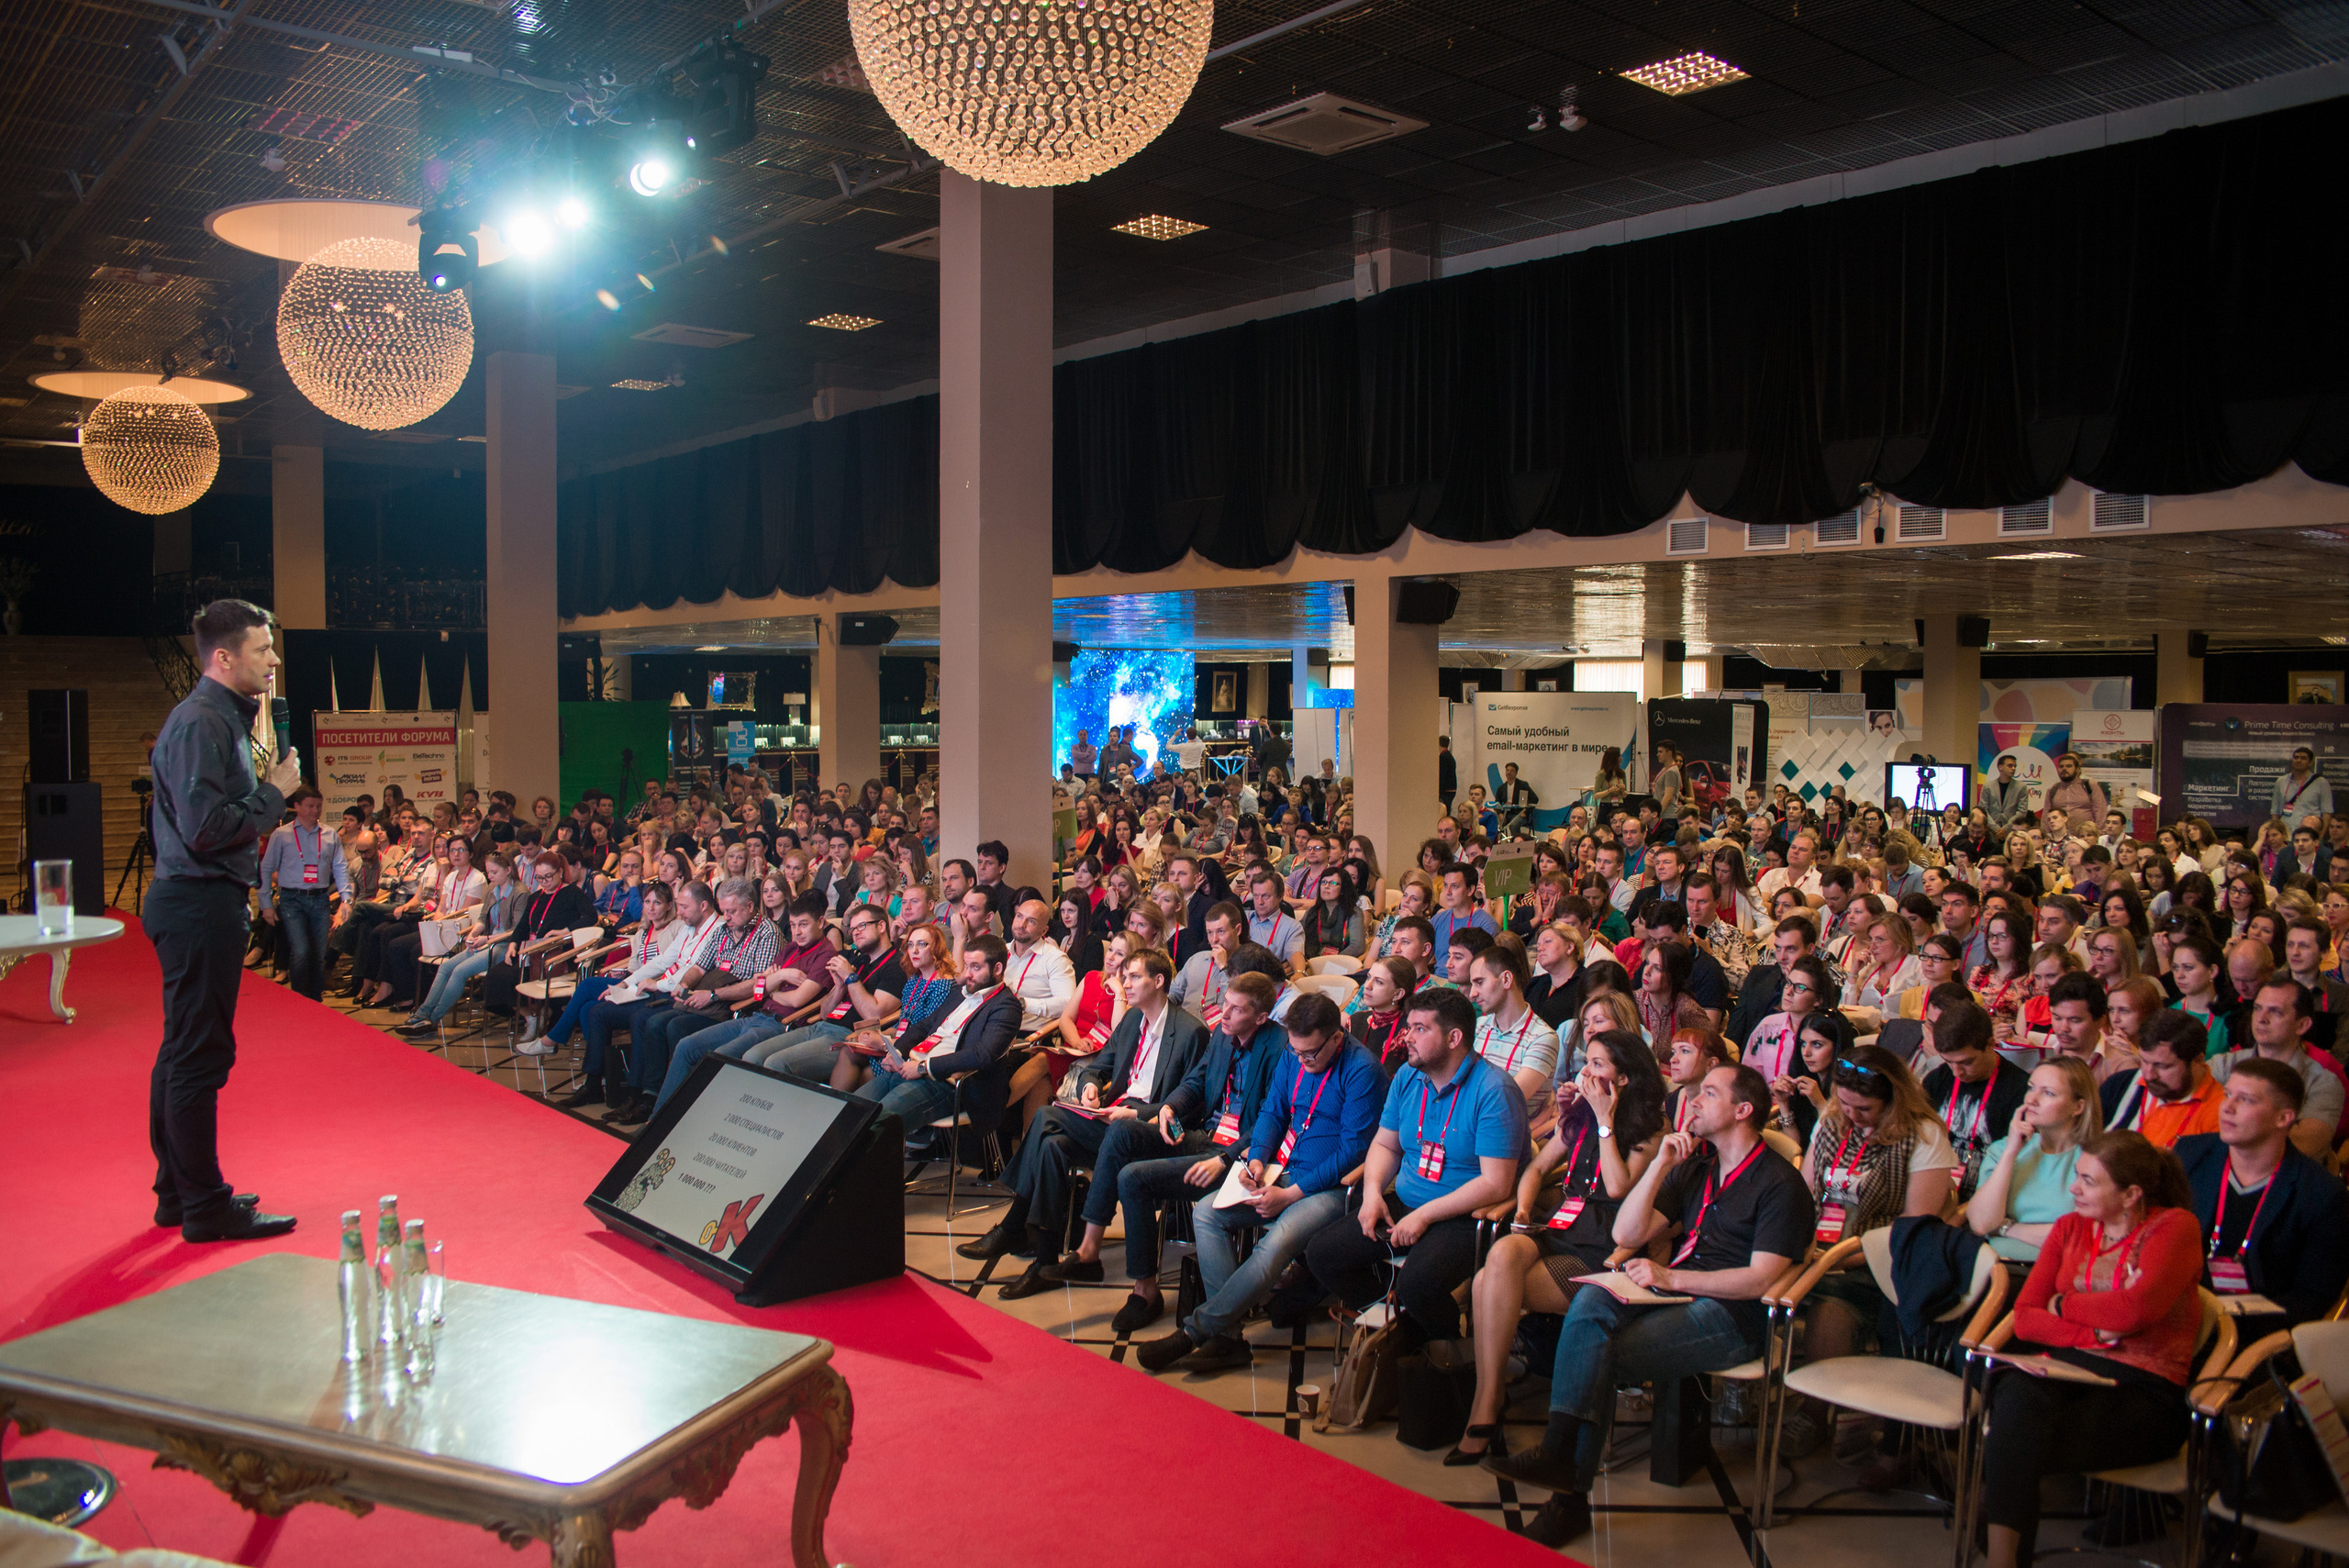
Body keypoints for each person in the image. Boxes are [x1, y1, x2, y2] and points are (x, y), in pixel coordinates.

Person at [1486, 1061, 1813, 1546]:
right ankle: (1561, 1459)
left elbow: (1761, 1279)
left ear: (1743, 1110)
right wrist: (1661, 1164)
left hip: (1732, 1315)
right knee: (1593, 1297)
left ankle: (1566, 1493)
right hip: (1673, 1293)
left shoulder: (1778, 1184)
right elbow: (1625, 1233)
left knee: (1596, 1354)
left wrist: (1670, 1276)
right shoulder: (1697, 1167)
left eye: (1709, 1094)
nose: (1693, 1101)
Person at [143, 599, 305, 1241]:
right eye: (263, 649)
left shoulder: (218, 719)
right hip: (198, 900)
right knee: (198, 1056)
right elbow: (206, 828)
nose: (274, 660)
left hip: (197, 899)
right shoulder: (202, 723)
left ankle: (177, 1192)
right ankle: (205, 1204)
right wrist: (275, 793)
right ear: (223, 656)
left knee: (183, 1051)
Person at [1978, 1131, 2204, 1568]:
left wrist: (2063, 1305)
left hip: (2146, 1392)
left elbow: (2136, 1310)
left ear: (2130, 1194)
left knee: (2012, 1427)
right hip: (2073, 1373)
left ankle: (2001, 1558)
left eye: (2088, 1180)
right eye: (2077, 1176)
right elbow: (2026, 1317)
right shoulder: (2070, 1227)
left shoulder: (2174, 1227)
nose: (2073, 1188)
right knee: (2015, 1402)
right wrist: (2093, 1334)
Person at [1450, 1030, 1666, 1463]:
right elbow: (1538, 1168)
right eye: (1589, 1062)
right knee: (1504, 1253)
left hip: (1607, 1244)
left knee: (1483, 1288)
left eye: (1599, 1065)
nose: (1586, 1072)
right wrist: (1525, 1210)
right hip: (1561, 1227)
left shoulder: (1650, 1127)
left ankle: (1487, 1403)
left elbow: (1620, 1187)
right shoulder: (1583, 1116)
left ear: (1623, 1079)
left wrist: (1605, 1121)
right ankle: (1490, 1397)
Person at [1135, 993, 1382, 1372]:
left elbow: (1352, 1151)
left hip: (1330, 1186)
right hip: (1280, 1169)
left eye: (1311, 1054)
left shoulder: (1362, 1069)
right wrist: (1254, 1160)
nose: (1303, 1061)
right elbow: (1272, 1111)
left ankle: (1197, 1332)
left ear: (1336, 1039)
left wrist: (1290, 1195)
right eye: (1297, 1053)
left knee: (1276, 1242)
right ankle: (1229, 1338)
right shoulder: (1295, 1053)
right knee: (1206, 1213)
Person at [972, 949, 1209, 1295]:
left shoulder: (1190, 1032)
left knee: (1046, 1115)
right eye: (1124, 976)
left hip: (1146, 1127)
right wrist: (1090, 1088)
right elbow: (1099, 1067)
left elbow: (1186, 1107)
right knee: (1052, 1145)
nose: (1124, 983)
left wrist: (1137, 1113)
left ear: (1158, 981)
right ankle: (1045, 1259)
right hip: (1112, 1117)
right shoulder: (1131, 1021)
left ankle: (1014, 1224)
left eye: (1133, 977)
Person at [1302, 988, 1526, 1354]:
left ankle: (1448, 1347)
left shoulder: (1494, 1091)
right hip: (1406, 1204)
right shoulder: (1409, 1077)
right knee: (1322, 1254)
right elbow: (1386, 1145)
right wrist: (1373, 1194)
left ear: (1455, 1038)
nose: (1407, 1036)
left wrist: (1424, 1216)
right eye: (1408, 1027)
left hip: (1465, 1216)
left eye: (1420, 1029)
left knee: (1418, 1283)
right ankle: (1400, 1324)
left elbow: (1495, 1183)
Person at [1072, 973, 1292, 1335]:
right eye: (1225, 1003)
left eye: (1237, 1010)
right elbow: (1196, 1082)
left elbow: (1272, 1120)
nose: (1225, 1013)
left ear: (1261, 1017)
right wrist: (1171, 1107)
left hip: (1240, 1157)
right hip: (1204, 1136)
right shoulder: (1222, 1035)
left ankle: (1144, 1291)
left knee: (1133, 1178)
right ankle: (1089, 1247)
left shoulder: (1279, 1047)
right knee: (1124, 1129)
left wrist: (1226, 1156)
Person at [1776, 1045, 1959, 1458]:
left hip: (1880, 1259)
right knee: (1760, 1277)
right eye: (1844, 1104)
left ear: (1893, 1102)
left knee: (1832, 1308)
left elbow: (1916, 1228)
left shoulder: (1923, 1136)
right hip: (1819, 1249)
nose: (1852, 1116)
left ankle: (1815, 1411)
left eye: (1864, 1109)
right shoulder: (1833, 1120)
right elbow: (1806, 1193)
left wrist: (1843, 1257)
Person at [2173, 1057, 2349, 1331]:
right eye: (2227, 1094)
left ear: (2283, 1117)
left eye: (2246, 1100)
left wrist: (2222, 1321)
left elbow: (2311, 1300)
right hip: (2174, 1313)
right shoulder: (2189, 1155)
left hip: (2256, 1334)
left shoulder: (2323, 1195)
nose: (2227, 1108)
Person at [853, 933, 1022, 1132]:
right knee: (850, 1110)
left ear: (997, 969)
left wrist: (925, 1068)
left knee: (874, 1125)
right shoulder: (960, 992)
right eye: (966, 966)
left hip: (946, 1083)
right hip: (910, 1068)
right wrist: (897, 1052)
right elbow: (925, 1026)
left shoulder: (1006, 1005)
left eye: (976, 967)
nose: (967, 973)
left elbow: (981, 1054)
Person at [1968, 1057, 2100, 1264]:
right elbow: (1981, 1224)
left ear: (2078, 1107)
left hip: (2057, 1274)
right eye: (2031, 1088)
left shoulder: (2095, 1160)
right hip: (1994, 1270)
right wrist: (2011, 1153)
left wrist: (2006, 1228)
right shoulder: (2004, 1149)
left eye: (2048, 1093)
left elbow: (2077, 1236)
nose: (2031, 1099)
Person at [2209, 976, 2343, 1157]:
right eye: (2257, 1009)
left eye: (2276, 1012)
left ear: (2302, 1025)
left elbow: (2303, 1147)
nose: (2261, 1019)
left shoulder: (2323, 1082)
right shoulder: (2223, 1065)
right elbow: (2193, 1121)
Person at [1918, 994, 2031, 1198]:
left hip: (1990, 1194)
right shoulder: (1936, 1081)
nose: (1956, 1072)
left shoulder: (2020, 1090)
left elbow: (2019, 1166)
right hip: (1937, 1187)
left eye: (1966, 1062)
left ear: (1990, 1043)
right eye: (1948, 1061)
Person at [259, 785, 351, 1001]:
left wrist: (346, 898)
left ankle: (315, 998)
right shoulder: (281, 835)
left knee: (318, 954)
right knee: (300, 951)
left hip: (320, 898)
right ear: (297, 807)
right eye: (310, 806)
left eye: (319, 806)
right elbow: (265, 868)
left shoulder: (329, 834)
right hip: (292, 899)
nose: (315, 811)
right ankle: (300, 999)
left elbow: (340, 866)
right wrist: (265, 904)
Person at [2099, 1008, 2224, 1149]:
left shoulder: (2221, 1112)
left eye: (2163, 1066)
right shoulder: (2120, 1084)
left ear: (2198, 1060)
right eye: (2144, 1061)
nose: (2148, 1075)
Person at [2272, 745, 2334, 824]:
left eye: (2303, 758)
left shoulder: (2321, 783)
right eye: (2296, 757)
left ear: (2310, 763)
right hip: (2285, 831)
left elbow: (2327, 812)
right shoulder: (2281, 781)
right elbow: (2275, 810)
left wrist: (2320, 835)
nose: (2298, 760)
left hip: (2309, 832)